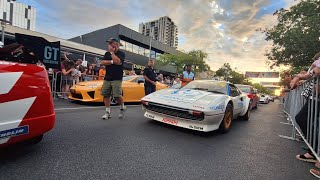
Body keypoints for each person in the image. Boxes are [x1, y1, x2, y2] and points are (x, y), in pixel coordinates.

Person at [100, 37, 126, 119]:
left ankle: (122, 107)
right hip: (107, 77)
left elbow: (118, 62)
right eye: (109, 43)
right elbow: (102, 62)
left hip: (117, 77)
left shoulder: (121, 53)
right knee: (105, 95)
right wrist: (111, 61)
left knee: (117, 95)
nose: (109, 45)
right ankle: (108, 112)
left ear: (116, 44)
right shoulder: (106, 53)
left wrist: (112, 53)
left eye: (111, 43)